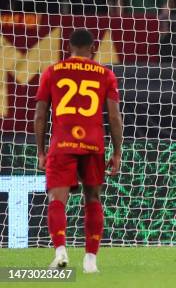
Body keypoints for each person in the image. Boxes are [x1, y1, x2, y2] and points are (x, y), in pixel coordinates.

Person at [34, 29, 123, 272]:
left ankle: (61, 251)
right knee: (93, 198)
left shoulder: (52, 72)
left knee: (57, 199)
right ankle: (90, 261)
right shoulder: (105, 74)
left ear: (69, 48)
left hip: (62, 143)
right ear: (93, 48)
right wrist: (117, 152)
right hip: (93, 143)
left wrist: (41, 151)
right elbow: (114, 117)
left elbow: (40, 115)